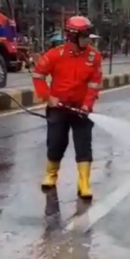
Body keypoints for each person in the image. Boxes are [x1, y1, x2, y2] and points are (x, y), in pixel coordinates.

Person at [32, 16, 103, 199]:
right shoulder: (55, 55)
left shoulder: (94, 56)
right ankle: (51, 175)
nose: (89, 40)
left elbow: (95, 84)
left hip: (81, 110)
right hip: (58, 108)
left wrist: (87, 105)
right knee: (56, 143)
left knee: (84, 146)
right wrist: (48, 97)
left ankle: (84, 184)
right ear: (72, 36)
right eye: (85, 36)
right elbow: (38, 75)